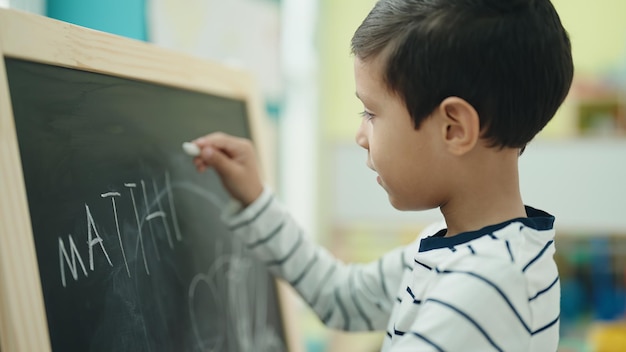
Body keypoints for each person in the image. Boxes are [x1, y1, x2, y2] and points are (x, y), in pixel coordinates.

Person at [191, 0, 573, 350]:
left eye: (371, 113)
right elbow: (342, 297)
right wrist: (257, 200)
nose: (360, 136)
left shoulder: (482, 289)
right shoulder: (463, 249)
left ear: (453, 128)